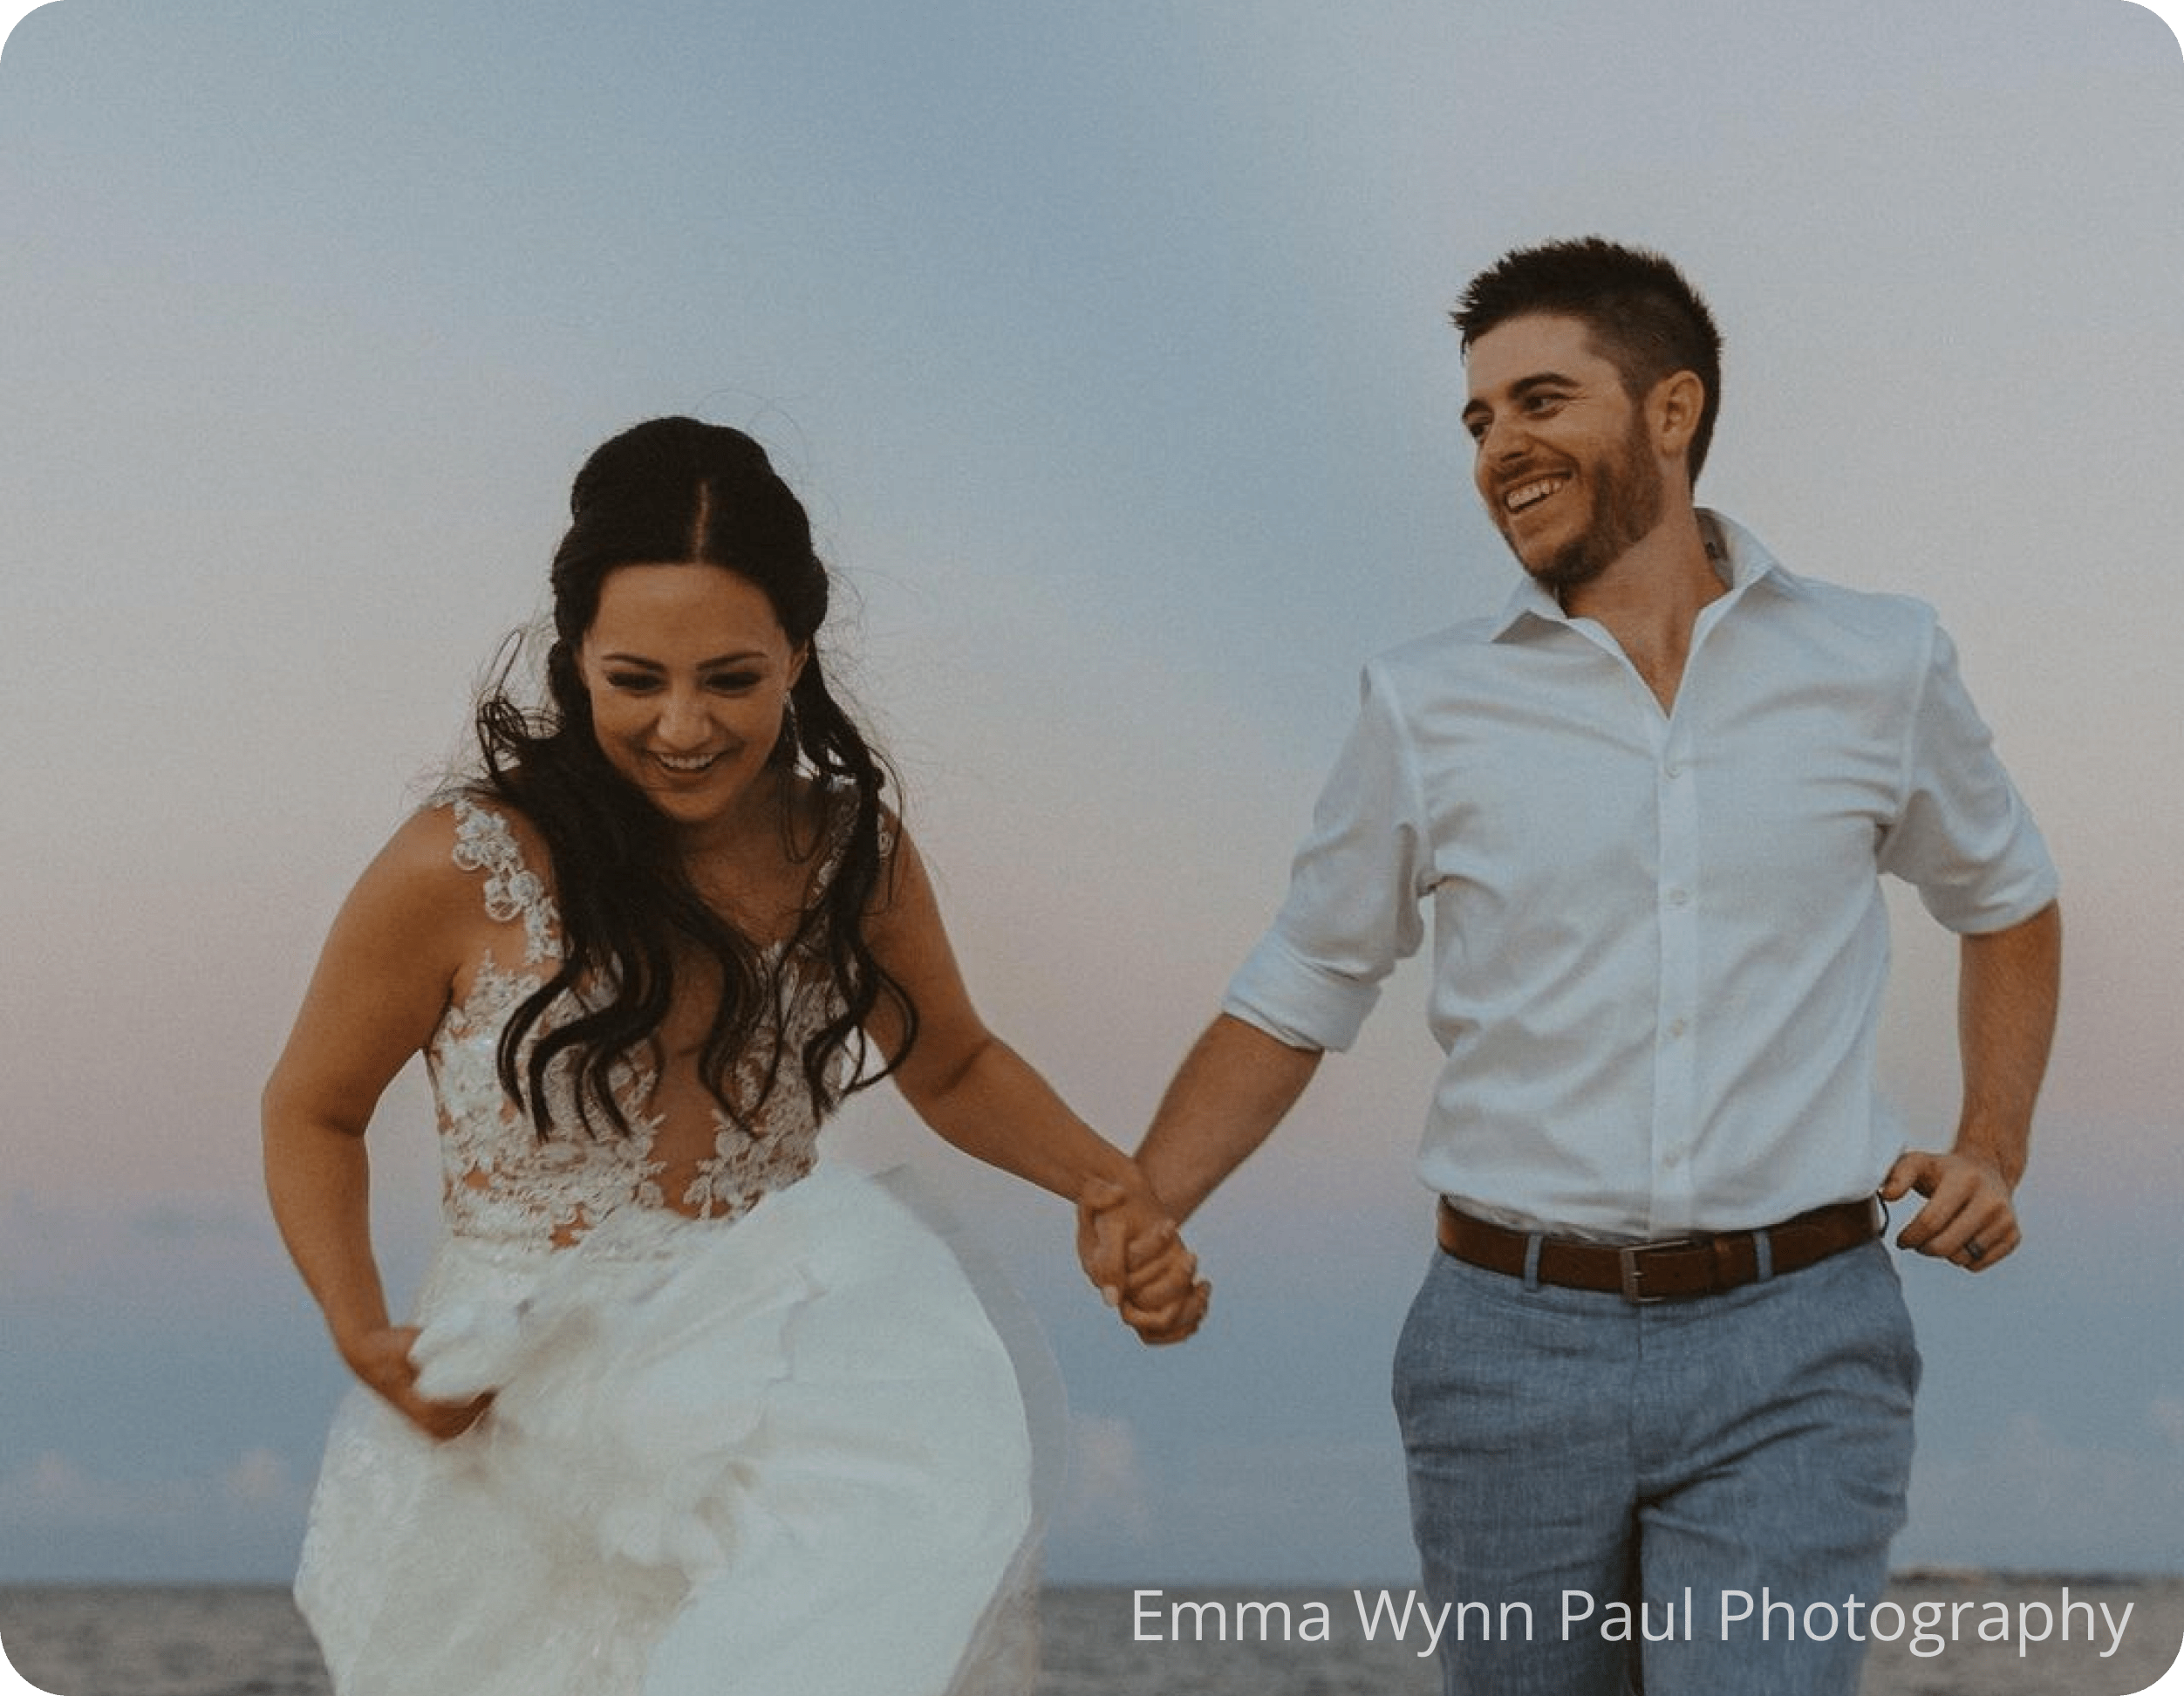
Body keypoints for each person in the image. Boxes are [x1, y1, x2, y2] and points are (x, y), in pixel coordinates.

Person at [1124, 238, 2061, 1695]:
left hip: (1803, 1347)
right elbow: (1306, 978)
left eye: (1541, 401)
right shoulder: (1425, 702)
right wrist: (1145, 1205)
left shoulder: (1879, 662)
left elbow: (2006, 898)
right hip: (1503, 1351)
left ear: (1669, 411)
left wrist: (1995, 1139)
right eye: (1481, 420)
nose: (1502, 447)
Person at [263, 416, 1206, 1696]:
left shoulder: (845, 851)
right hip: (515, 1434)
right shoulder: (459, 864)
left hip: (780, 1432)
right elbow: (312, 1108)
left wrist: (1113, 1187)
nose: (685, 726)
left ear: (799, 657)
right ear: (576, 662)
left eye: (733, 679)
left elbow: (955, 1062)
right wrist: (359, 1325)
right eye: (636, 679)